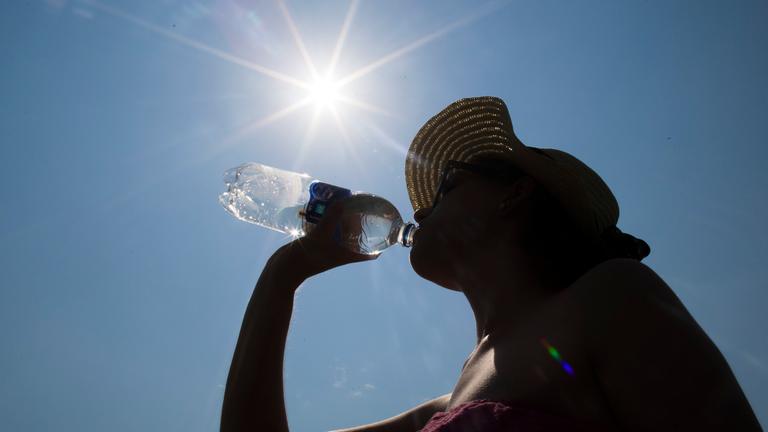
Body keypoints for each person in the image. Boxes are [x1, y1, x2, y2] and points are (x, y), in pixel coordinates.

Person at [220, 97, 761, 431]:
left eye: (449, 183)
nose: (423, 209)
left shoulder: (614, 298)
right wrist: (286, 272)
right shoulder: (442, 407)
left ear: (514, 196)